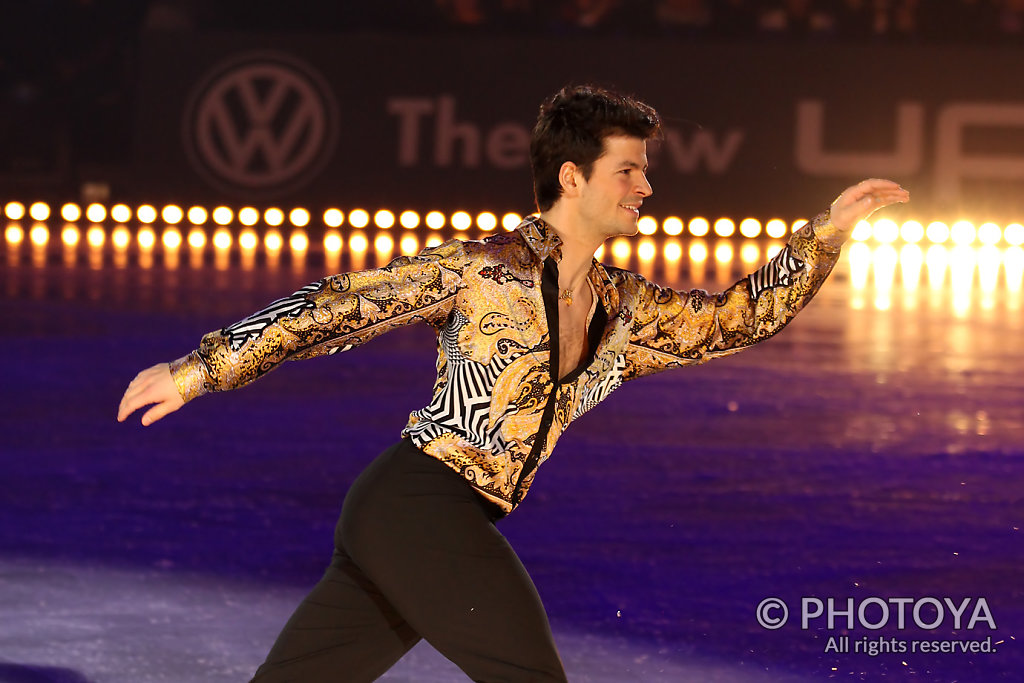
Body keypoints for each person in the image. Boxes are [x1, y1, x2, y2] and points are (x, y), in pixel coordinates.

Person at [117, 84, 909, 682]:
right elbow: (337, 308)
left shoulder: (623, 308)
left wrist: (826, 231)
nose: (646, 187)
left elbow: (736, 319)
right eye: (628, 169)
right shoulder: (483, 271)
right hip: (418, 505)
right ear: (572, 176)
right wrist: (196, 371)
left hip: (422, 520)